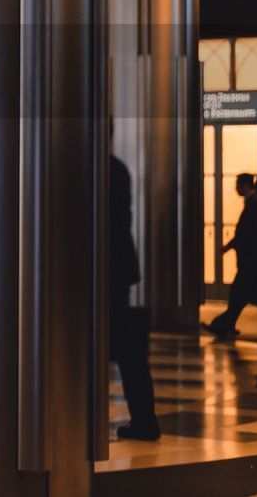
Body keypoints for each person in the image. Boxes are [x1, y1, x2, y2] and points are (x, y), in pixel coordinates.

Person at [204, 173, 257, 343]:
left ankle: (224, 325)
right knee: (249, 295)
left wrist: (229, 246)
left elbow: (246, 232)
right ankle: (224, 324)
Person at [108, 153, 160, 440]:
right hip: (118, 268)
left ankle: (144, 420)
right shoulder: (117, 167)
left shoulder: (95, 168)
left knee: (126, 349)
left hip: (103, 269)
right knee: (129, 351)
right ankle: (145, 419)